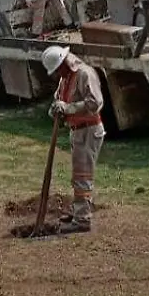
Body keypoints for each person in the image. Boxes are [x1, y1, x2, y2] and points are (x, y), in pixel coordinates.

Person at [42, 45, 105, 234]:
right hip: (77, 131)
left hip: (88, 130)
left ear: (64, 62)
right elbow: (59, 100)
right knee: (79, 175)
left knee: (82, 177)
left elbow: (95, 103)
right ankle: (80, 210)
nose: (56, 74)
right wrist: (56, 109)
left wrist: (69, 108)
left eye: (57, 69)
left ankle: (82, 220)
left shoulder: (85, 74)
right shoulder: (65, 78)